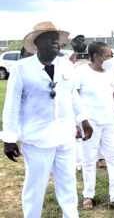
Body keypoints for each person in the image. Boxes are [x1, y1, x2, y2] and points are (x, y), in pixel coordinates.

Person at [1, 21, 93, 217]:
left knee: (68, 184)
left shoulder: (66, 65)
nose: (55, 42)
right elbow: (12, 104)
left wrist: (83, 119)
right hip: (36, 139)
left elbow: (72, 95)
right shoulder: (21, 68)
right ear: (37, 43)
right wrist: (9, 139)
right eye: (49, 38)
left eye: (56, 39)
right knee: (35, 187)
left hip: (65, 136)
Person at [75, 42, 114, 212]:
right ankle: (88, 195)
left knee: (113, 158)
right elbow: (74, 97)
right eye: (107, 55)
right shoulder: (82, 72)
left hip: (109, 121)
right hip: (89, 123)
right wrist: (78, 122)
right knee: (89, 159)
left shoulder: (111, 72)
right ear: (96, 56)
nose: (110, 58)